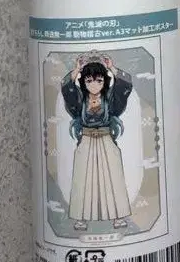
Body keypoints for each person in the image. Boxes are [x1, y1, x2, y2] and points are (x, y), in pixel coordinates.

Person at [61, 54, 133, 231]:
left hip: (106, 140)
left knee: (113, 177)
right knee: (83, 179)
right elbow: (67, 89)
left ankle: (117, 216)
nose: (94, 85)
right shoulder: (80, 100)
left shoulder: (110, 99)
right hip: (86, 141)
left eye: (99, 80)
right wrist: (76, 70)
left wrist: (112, 68)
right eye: (89, 81)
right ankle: (81, 218)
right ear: (84, 82)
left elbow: (125, 86)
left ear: (104, 82)